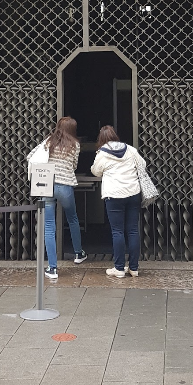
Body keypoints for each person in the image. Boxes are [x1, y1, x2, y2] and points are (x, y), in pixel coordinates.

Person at [27, 116, 87, 279]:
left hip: (46, 185)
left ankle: (52, 268)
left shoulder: (48, 142)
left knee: (48, 226)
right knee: (73, 218)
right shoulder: (75, 144)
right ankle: (78, 253)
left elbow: (31, 156)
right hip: (65, 185)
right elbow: (74, 165)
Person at [91, 125, 145, 278]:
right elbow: (143, 164)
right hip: (133, 192)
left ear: (101, 139)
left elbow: (96, 171)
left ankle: (119, 268)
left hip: (114, 195)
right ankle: (134, 268)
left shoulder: (102, 153)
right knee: (133, 230)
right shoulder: (130, 149)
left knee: (118, 231)